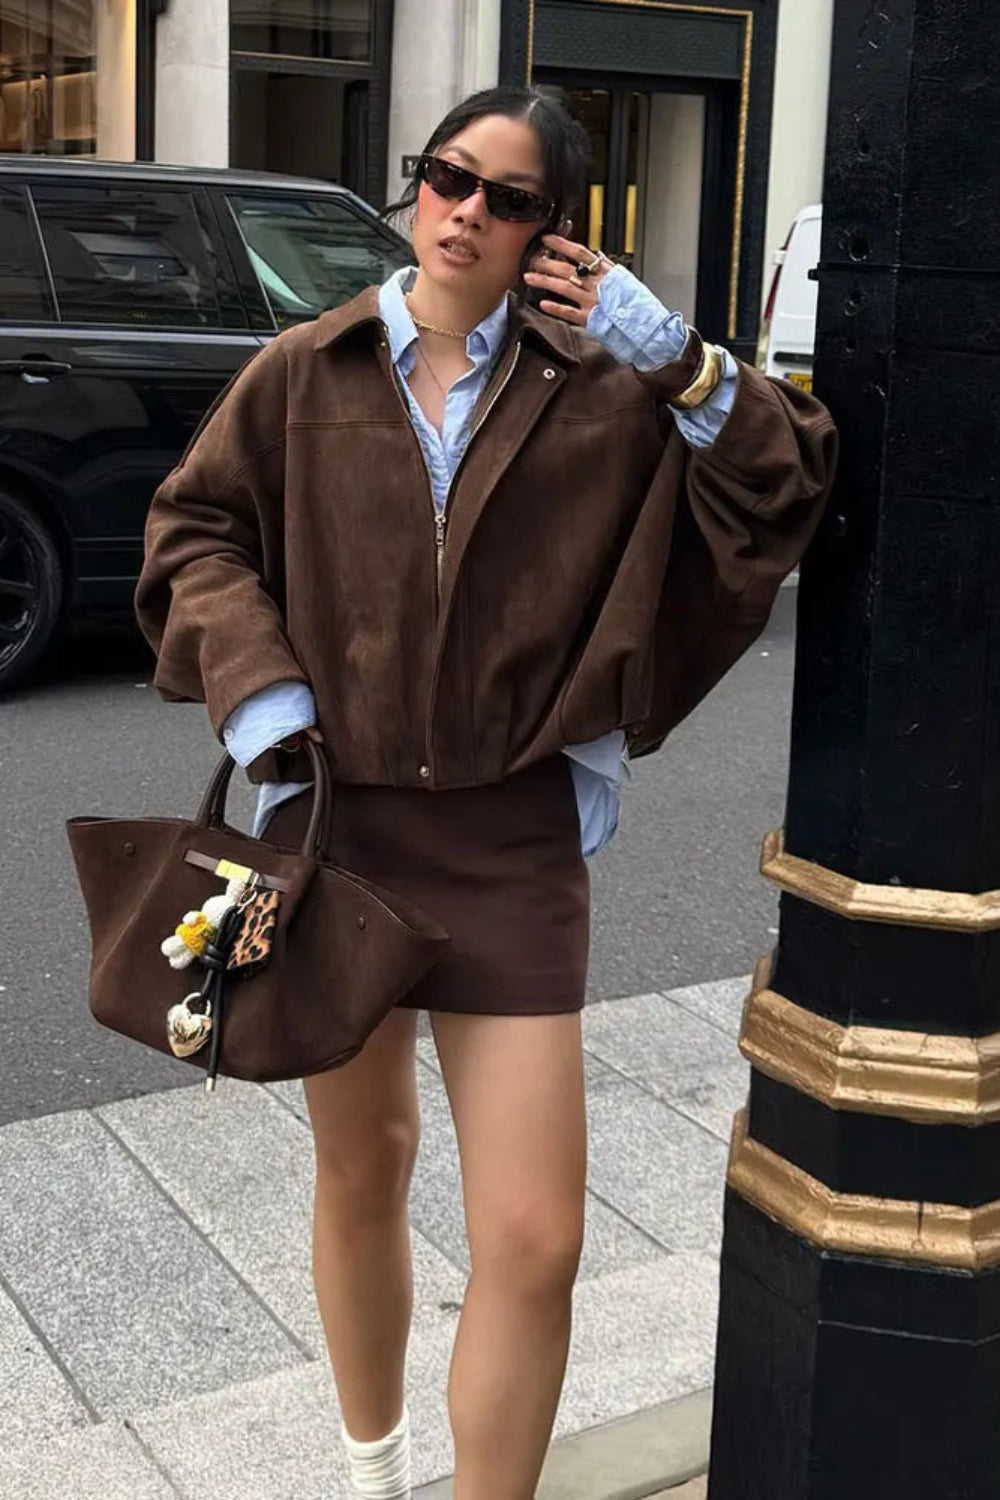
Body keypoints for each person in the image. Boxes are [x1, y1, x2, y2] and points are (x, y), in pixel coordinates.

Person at [135, 85, 837, 1500]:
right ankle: (372, 1467)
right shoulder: (307, 367)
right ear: (418, 187)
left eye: (508, 198)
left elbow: (784, 486)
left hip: (513, 842)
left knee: (534, 1236)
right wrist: (261, 683)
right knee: (364, 1164)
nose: (466, 211)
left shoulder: (607, 394)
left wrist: (678, 356)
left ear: (550, 235)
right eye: (449, 176)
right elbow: (194, 529)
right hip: (336, 830)